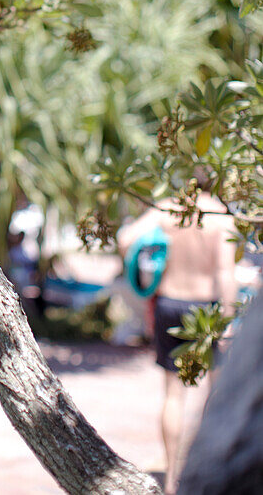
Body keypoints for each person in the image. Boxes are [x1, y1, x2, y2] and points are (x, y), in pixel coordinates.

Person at [118, 192, 239, 495]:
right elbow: (226, 272)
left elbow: (124, 239)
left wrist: (150, 260)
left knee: (174, 394)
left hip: (170, 303)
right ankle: (212, 475)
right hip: (206, 309)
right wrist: (228, 321)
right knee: (215, 396)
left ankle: (171, 479)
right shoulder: (218, 214)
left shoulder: (170, 207)